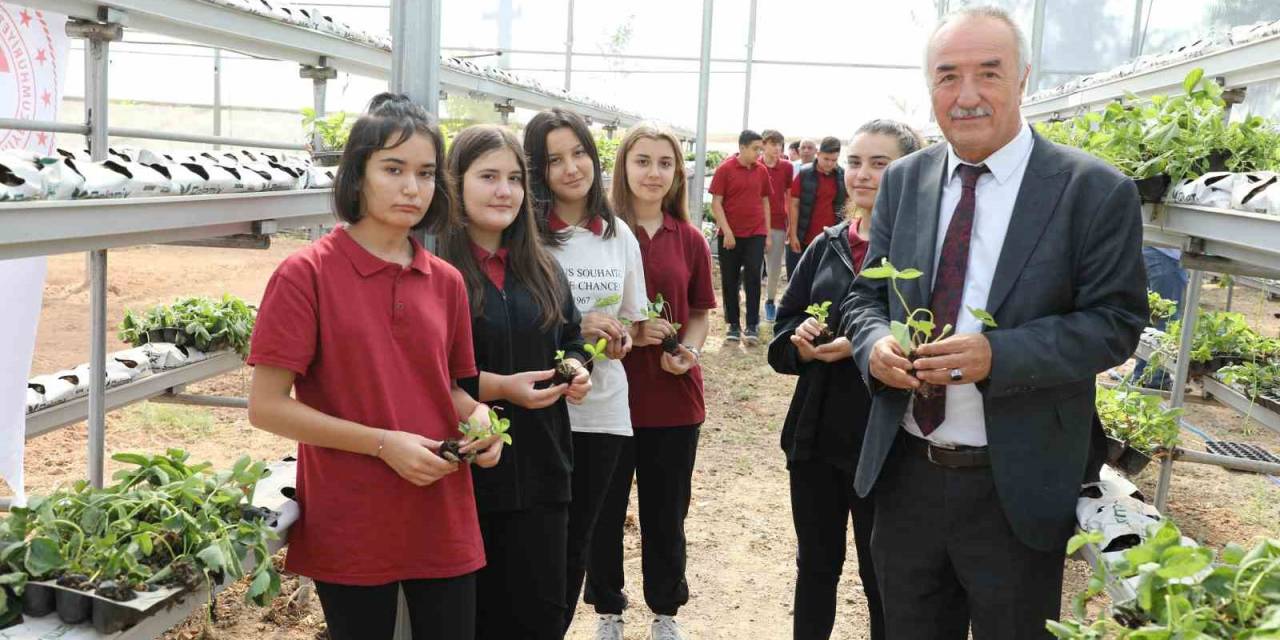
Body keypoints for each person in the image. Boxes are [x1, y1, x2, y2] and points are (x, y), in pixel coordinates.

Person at [842, 7, 1147, 639]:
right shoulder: (905, 180)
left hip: (1016, 485)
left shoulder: (1092, 190)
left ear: (1024, 78)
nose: (968, 94)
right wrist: (873, 346)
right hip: (908, 474)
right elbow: (865, 297)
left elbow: (1115, 322)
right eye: (948, 76)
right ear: (931, 87)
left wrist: (999, 355)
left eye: (989, 73)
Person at [245, 93, 503, 640]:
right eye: (393, 169)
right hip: (353, 515)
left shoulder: (446, 281)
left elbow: (449, 390)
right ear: (356, 175)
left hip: (441, 510)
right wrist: (384, 443)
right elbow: (266, 408)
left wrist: (480, 417)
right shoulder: (306, 274)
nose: (412, 187)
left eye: (426, 172)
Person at [438, 125, 596, 639]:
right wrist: (500, 389)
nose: (503, 191)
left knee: (540, 614)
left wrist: (576, 368)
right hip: (466, 478)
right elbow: (425, 373)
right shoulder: (437, 272)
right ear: (455, 184)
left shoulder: (544, 268)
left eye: (513, 178)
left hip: (545, 471)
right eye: (487, 177)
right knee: (475, 620)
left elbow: (571, 338)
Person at [768, 119, 921, 640]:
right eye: (856, 162)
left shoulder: (920, 254)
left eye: (881, 164)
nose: (863, 174)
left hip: (887, 442)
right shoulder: (826, 245)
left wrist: (860, 346)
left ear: (909, 173)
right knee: (816, 566)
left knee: (882, 575)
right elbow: (780, 334)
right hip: (816, 437)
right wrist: (802, 341)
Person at [586, 123, 716, 640]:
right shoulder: (599, 235)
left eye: (665, 163)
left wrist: (690, 350)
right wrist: (631, 332)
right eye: (642, 160)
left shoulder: (688, 239)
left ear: (677, 174)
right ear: (623, 167)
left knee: (666, 512)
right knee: (603, 510)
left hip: (672, 400)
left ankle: (665, 610)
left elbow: (702, 313)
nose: (653, 172)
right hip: (607, 399)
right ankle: (607, 609)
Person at [523, 107, 649, 634]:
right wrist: (577, 327)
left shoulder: (617, 233)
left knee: (577, 544)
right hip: (541, 410)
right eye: (554, 159)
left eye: (578, 153)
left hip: (603, 412)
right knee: (536, 547)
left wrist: (619, 337)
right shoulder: (526, 233)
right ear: (536, 169)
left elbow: (637, 323)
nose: (571, 168)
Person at [709, 129, 772, 345]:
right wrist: (727, 231)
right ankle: (733, 325)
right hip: (730, 236)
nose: (759, 153)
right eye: (755, 149)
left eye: (760, 149)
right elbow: (716, 202)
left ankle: (752, 324)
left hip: (756, 233)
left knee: (754, 277)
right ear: (742, 147)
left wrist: (768, 234)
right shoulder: (725, 169)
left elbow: (765, 202)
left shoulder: (762, 171)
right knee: (730, 280)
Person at [787, 137, 845, 276]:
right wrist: (793, 234)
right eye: (826, 159)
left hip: (830, 236)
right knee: (799, 277)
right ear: (818, 154)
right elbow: (794, 205)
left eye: (834, 160)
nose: (830, 163)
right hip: (804, 235)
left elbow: (847, 205)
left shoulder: (842, 175)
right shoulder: (804, 174)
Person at [760, 128, 796, 324]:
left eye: (779, 144)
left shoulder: (787, 167)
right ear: (763, 145)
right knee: (752, 266)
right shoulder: (755, 165)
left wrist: (790, 224)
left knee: (774, 267)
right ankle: (749, 304)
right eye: (772, 144)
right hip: (754, 224)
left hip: (777, 222)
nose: (777, 148)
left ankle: (770, 301)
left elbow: (789, 197)